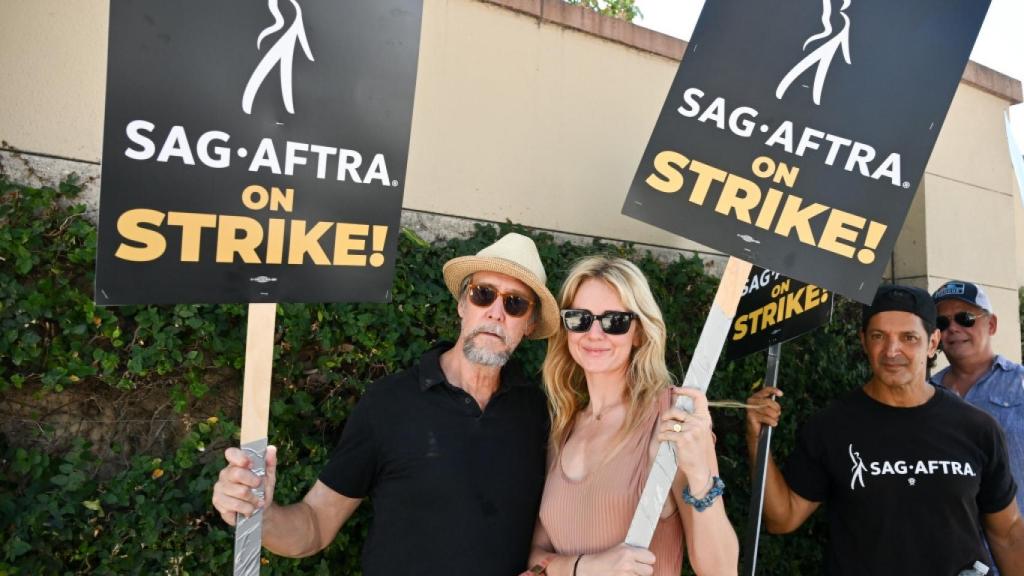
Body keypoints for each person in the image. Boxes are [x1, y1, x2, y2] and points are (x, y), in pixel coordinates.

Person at [212, 232, 561, 575]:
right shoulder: (389, 403)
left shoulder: (538, 414)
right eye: (483, 294)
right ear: (462, 304)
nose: (496, 313)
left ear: (529, 324)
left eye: (515, 304)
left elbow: (553, 534)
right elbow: (315, 525)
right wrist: (259, 513)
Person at [746, 284, 1024, 574]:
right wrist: (757, 438)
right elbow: (783, 518)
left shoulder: (977, 428)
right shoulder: (831, 426)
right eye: (879, 336)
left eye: (908, 337)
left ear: (932, 342)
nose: (892, 351)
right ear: (864, 341)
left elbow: (1008, 534)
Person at [524, 256, 739, 576]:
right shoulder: (564, 427)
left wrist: (699, 474)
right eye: (580, 318)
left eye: (614, 321)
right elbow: (535, 559)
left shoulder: (671, 419)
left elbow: (721, 571)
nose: (594, 333)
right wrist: (586, 567)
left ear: (638, 332)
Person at [931, 280, 1024, 511]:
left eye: (965, 318)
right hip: (953, 531)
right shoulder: (927, 392)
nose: (953, 328)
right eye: (942, 322)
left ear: (991, 325)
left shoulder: (1020, 383)